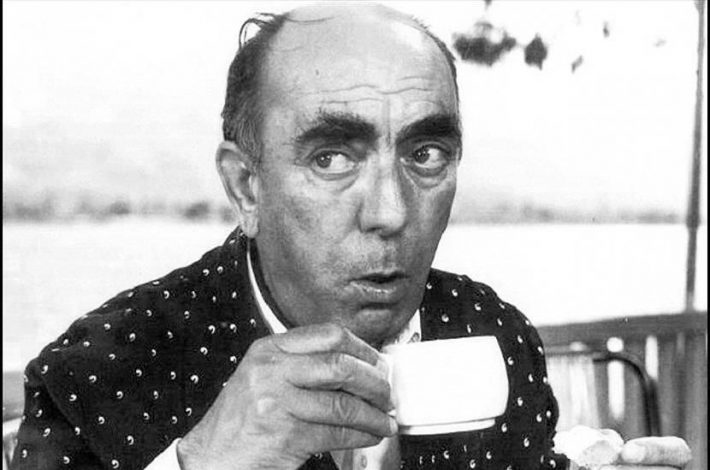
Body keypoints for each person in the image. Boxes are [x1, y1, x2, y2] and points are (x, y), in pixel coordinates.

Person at [11, 4, 692, 470]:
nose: (391, 212)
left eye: (425, 154)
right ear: (247, 187)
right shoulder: (95, 374)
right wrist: (204, 460)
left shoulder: (494, 333)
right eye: (332, 158)